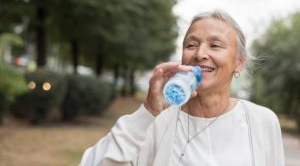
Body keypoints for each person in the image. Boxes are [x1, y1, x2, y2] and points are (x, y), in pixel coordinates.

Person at [79, 10, 285, 166]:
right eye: (191, 45)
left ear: (239, 62)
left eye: (215, 45)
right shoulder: (157, 122)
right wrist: (147, 113)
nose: (200, 54)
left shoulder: (262, 121)